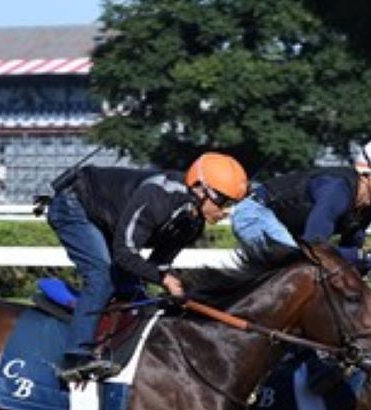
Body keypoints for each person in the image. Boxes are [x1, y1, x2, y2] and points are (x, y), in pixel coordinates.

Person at [46, 152, 250, 381]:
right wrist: (164, 279)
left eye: (232, 204)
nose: (226, 211)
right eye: (223, 201)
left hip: (107, 219)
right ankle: (76, 356)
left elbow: (158, 264)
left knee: (131, 289)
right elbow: (125, 253)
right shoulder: (157, 197)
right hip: (75, 205)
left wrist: (174, 284)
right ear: (201, 189)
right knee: (101, 276)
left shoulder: (192, 224)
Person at [231, 137, 371, 274]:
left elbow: (350, 260)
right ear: (370, 176)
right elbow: (314, 249)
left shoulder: (367, 209)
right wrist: (366, 257)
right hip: (254, 212)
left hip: (286, 228)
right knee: (298, 266)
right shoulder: (337, 190)